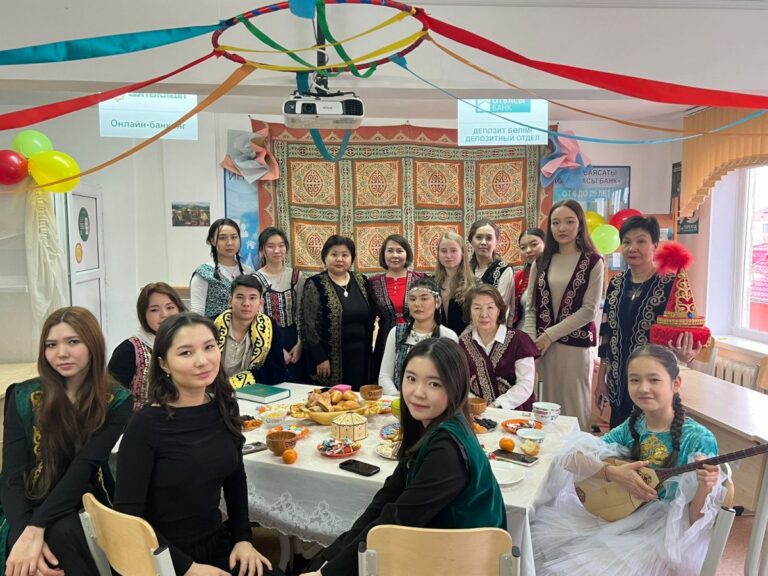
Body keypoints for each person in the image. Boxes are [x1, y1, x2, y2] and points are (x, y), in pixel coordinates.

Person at [300, 338, 506, 576]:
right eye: (411, 379)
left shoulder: (447, 450)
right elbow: (386, 500)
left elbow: (396, 522)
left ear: (456, 387)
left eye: (434, 384)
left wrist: (327, 573)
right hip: (435, 549)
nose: (418, 393)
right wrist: (330, 558)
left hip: (461, 563)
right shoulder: (430, 425)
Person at [531, 345, 724, 576]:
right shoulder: (634, 425)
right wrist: (613, 473)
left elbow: (695, 522)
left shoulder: (699, 439)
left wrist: (705, 486)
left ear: (676, 383)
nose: (643, 388)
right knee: (536, 543)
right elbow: (572, 458)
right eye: (634, 380)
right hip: (620, 513)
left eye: (654, 380)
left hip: (663, 536)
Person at [114, 313, 281, 576]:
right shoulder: (145, 425)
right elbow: (129, 517)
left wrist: (243, 539)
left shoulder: (224, 406)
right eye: (186, 353)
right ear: (164, 364)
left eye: (209, 347)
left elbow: (235, 478)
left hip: (216, 545)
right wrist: (188, 569)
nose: (202, 361)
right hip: (162, 560)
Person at [1, 307, 132, 576]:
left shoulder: (116, 400)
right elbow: (13, 474)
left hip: (82, 496)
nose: (61, 353)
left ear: (93, 344)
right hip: (24, 501)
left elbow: (84, 467)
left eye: (73, 342)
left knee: (62, 533)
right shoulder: (22, 395)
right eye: (51, 345)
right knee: (23, 555)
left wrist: (36, 530)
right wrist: (24, 535)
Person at [596, 215, 701, 429]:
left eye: (641, 241)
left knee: (651, 441)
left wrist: (686, 355)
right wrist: (601, 381)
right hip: (618, 382)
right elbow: (606, 333)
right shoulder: (616, 283)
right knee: (619, 441)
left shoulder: (670, 283)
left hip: (653, 384)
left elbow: (686, 332)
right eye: (626, 242)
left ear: (655, 245)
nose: (632, 248)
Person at [523, 200, 604, 430]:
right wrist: (531, 344)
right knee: (543, 410)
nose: (562, 228)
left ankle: (577, 453)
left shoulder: (594, 261)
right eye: (556, 223)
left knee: (573, 407)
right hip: (542, 349)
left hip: (574, 349)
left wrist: (550, 335)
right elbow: (531, 307)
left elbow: (588, 310)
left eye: (569, 222)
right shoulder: (541, 261)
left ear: (580, 225)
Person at [300, 235, 372, 388]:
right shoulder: (315, 284)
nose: (339, 259)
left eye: (345, 255)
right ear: (325, 257)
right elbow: (308, 325)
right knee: (334, 400)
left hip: (361, 358)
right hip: (328, 361)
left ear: (351, 258)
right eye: (334, 254)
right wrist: (320, 357)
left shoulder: (362, 281)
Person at [459, 284, 539, 410]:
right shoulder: (463, 343)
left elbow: (525, 384)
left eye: (490, 307)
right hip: (476, 412)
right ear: (469, 311)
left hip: (515, 413)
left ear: (499, 310)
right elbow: (460, 383)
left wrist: (497, 406)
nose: (483, 314)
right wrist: (474, 404)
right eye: (477, 308)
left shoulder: (519, 340)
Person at [109, 282, 186, 410]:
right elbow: (113, 400)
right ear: (143, 315)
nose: (164, 314)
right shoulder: (128, 351)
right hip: (141, 419)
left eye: (170, 307)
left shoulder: (191, 344)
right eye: (154, 310)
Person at [378, 277, 458, 395]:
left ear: (437, 302)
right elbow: (385, 376)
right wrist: (399, 398)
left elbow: (453, 379)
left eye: (424, 298)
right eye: (412, 299)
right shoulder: (396, 332)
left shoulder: (447, 336)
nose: (417, 304)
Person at [367, 234, 425, 382]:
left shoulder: (421, 279)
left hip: (417, 342)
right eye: (390, 251)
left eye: (399, 251)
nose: (395, 255)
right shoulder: (372, 283)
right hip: (384, 343)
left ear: (407, 254)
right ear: (383, 254)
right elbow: (369, 318)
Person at [253, 227, 307, 383]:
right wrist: (275, 347)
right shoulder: (256, 279)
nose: (277, 250)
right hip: (268, 339)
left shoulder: (297, 276)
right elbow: (258, 319)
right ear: (262, 250)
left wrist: (300, 344)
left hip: (294, 337)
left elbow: (302, 313)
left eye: (281, 245)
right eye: (270, 246)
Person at [215, 275, 286, 387]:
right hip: (214, 390)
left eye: (252, 298)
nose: (246, 303)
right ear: (230, 301)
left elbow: (277, 371)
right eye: (240, 297)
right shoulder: (213, 326)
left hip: (253, 391)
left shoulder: (269, 327)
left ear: (261, 303)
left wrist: (233, 383)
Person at [191, 218, 255, 319]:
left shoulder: (249, 272)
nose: (229, 243)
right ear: (212, 241)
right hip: (214, 328)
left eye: (234, 237)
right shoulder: (203, 273)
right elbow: (197, 314)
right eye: (222, 238)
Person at [468, 219, 515, 325]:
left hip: (491, 328)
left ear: (496, 241)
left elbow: (500, 308)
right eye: (479, 237)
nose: (483, 242)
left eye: (489, 238)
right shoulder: (465, 269)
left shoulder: (503, 269)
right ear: (471, 240)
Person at [433, 232, 478, 336]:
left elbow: (476, 320)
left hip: (465, 340)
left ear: (463, 253)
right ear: (438, 254)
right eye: (443, 251)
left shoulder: (475, 284)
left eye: (453, 250)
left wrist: (458, 340)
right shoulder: (431, 283)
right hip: (437, 341)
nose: (448, 255)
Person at [513, 228, 545, 328]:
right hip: (523, 330)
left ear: (546, 244)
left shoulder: (556, 272)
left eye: (534, 244)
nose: (528, 250)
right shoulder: (519, 277)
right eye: (523, 247)